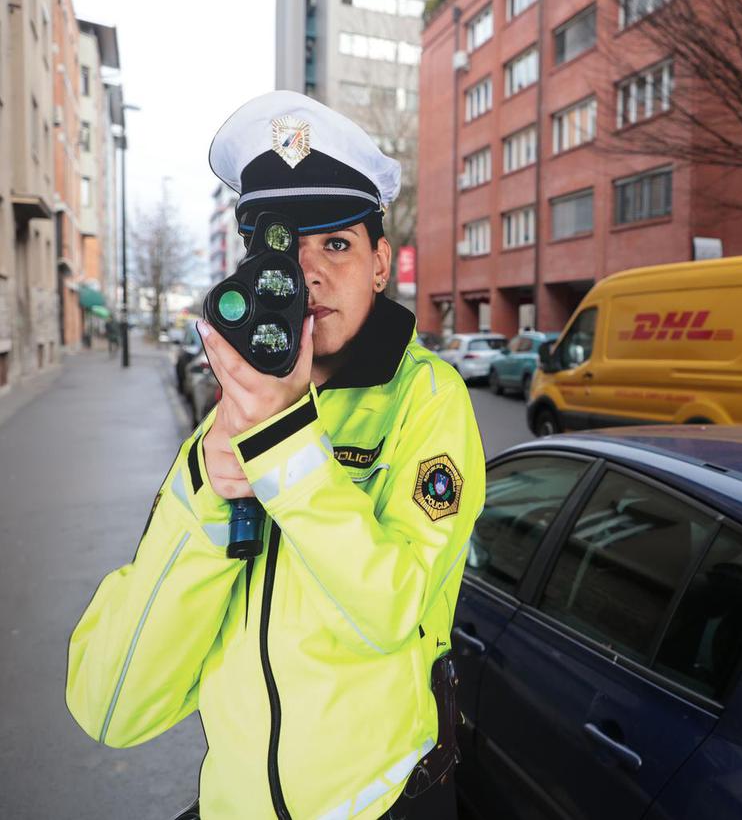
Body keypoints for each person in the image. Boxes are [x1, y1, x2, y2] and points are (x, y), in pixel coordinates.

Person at [66, 91, 485, 819]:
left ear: (382, 262)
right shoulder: (229, 425)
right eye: (283, 246)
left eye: (338, 244)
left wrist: (285, 448)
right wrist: (205, 497)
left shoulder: (427, 398)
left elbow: (392, 613)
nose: (309, 271)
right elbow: (112, 705)